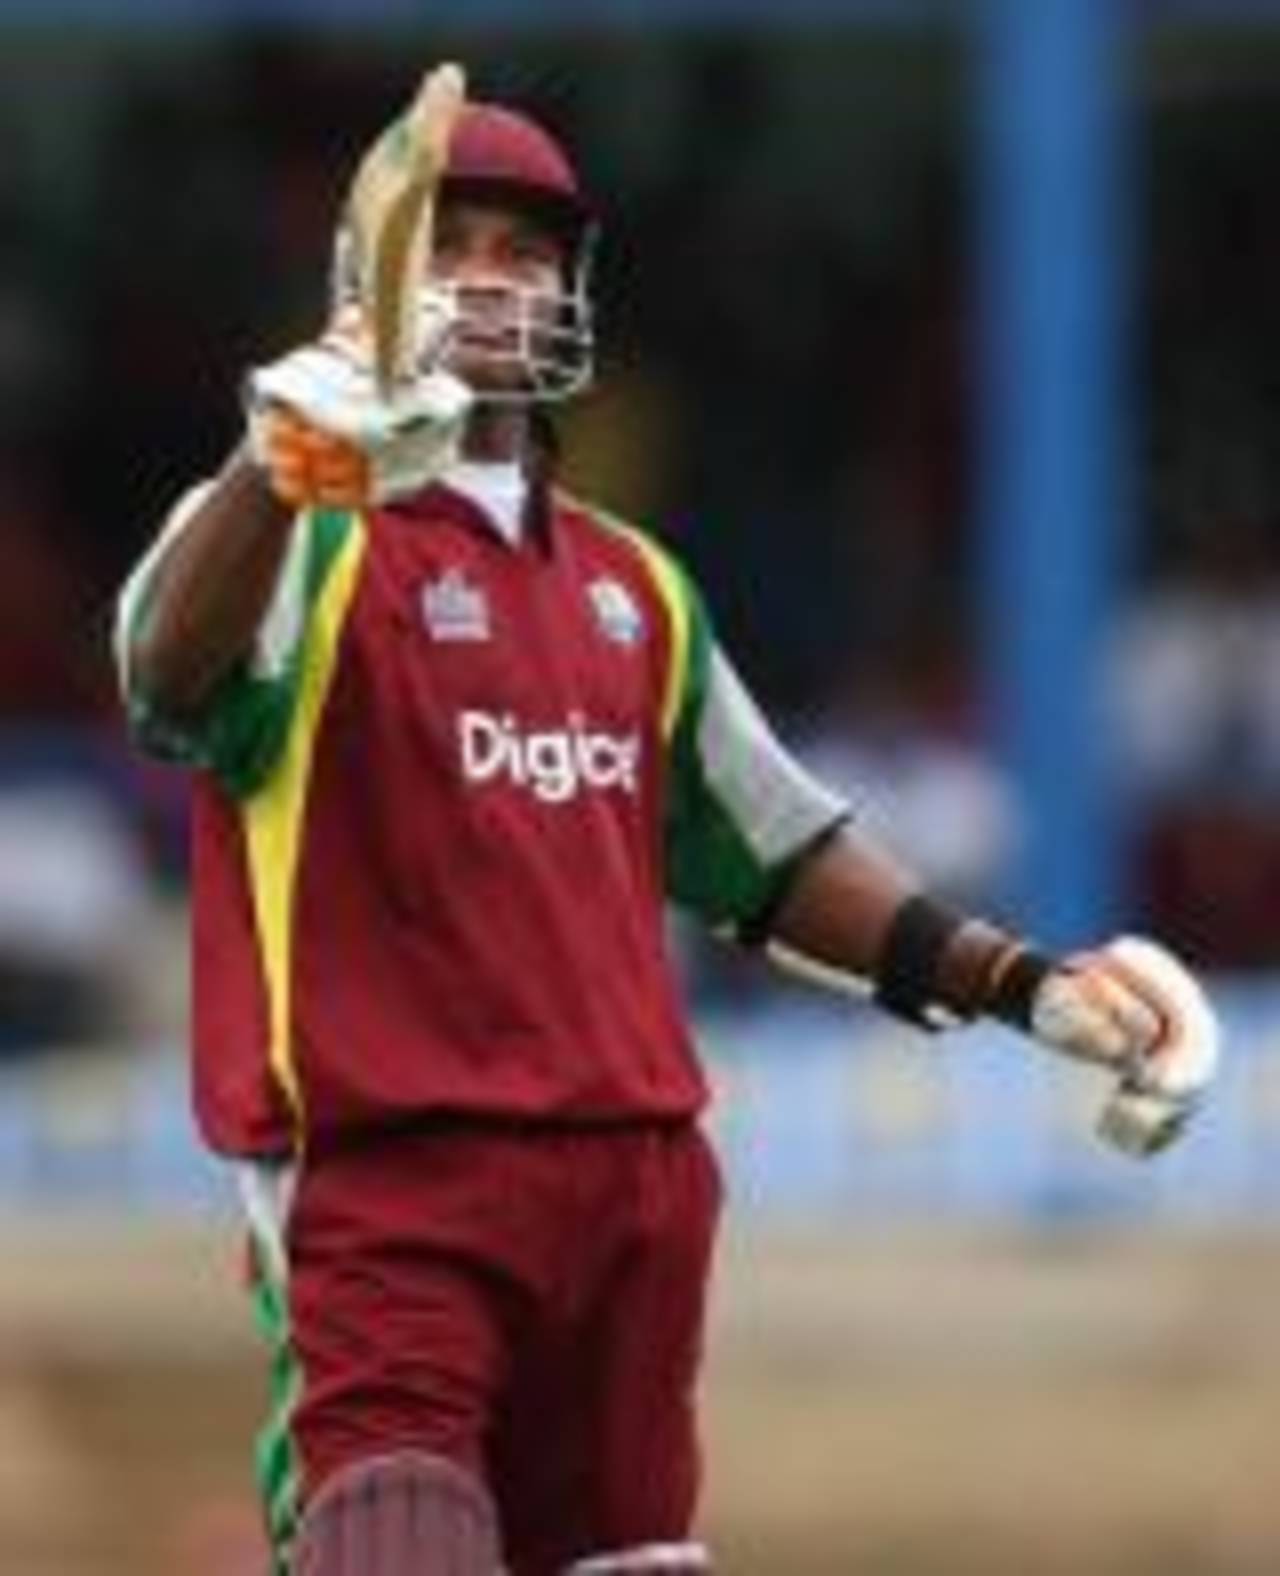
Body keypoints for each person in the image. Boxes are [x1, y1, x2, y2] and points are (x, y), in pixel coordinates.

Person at [113, 77, 1217, 1576]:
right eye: (451, 244)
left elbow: (774, 850)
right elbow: (167, 678)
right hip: (394, 1189)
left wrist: (1025, 984)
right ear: (371, 280)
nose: (495, 276)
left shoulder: (638, 589)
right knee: (394, 1542)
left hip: (634, 1198)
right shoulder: (296, 538)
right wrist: (274, 464)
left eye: (529, 249)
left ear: (573, 287)